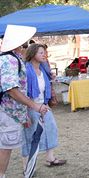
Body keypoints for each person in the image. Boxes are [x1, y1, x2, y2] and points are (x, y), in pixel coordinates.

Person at [1, 25, 54, 174]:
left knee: (7, 146)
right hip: (7, 112)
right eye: (24, 44)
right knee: (5, 147)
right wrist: (35, 106)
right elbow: (11, 89)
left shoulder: (14, 59)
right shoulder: (9, 60)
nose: (26, 46)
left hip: (12, 112)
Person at [22, 44, 66, 167]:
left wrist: (51, 78)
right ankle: (27, 165)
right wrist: (25, 113)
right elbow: (22, 91)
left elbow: (46, 86)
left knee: (51, 129)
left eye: (44, 52)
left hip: (44, 105)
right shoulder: (25, 70)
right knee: (31, 134)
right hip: (30, 105)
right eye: (40, 52)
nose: (44, 55)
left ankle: (50, 158)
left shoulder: (44, 70)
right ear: (32, 54)